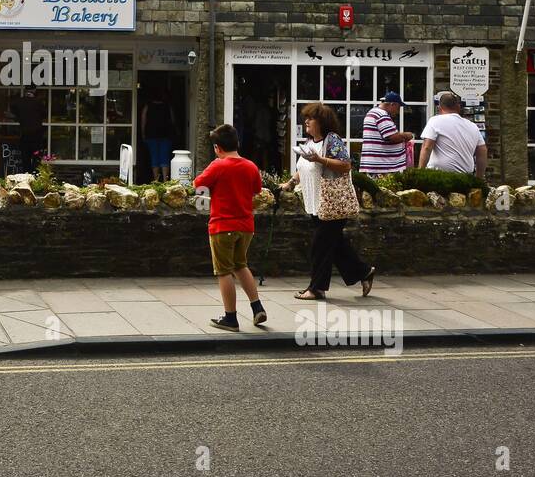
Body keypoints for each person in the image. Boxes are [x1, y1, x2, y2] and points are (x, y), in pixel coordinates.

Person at [281, 102, 375, 301]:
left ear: (322, 121)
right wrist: (290, 183)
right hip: (316, 204)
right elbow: (303, 168)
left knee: (320, 246)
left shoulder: (332, 140)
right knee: (336, 244)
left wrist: (321, 160)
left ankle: (317, 289)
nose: (306, 121)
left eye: (311, 118)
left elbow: (346, 165)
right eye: (305, 117)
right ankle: (363, 272)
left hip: (332, 203)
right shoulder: (309, 143)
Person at [193, 123, 267, 331]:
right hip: (246, 226)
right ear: (237, 143)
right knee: (240, 265)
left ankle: (230, 318)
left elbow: (198, 184)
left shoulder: (218, 165)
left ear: (218, 148)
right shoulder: (251, 166)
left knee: (223, 271)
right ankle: (257, 307)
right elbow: (256, 190)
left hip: (222, 225)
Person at [419, 90, 487, 177]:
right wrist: (479, 177)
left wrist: (420, 174)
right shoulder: (473, 126)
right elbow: (482, 151)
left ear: (439, 108)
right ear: (458, 107)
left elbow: (427, 147)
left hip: (439, 176)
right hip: (465, 177)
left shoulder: (435, 121)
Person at [360, 91, 415, 176]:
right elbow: (393, 137)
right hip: (381, 167)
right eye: (398, 107)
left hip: (375, 165)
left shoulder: (372, 112)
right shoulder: (382, 115)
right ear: (393, 104)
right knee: (383, 189)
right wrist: (407, 135)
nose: (398, 112)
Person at [141, 89, 176, 181]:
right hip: (166, 134)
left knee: (154, 157)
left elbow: (143, 121)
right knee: (165, 157)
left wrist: (143, 133)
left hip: (151, 135)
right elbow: (173, 121)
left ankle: (156, 180)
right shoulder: (168, 106)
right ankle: (165, 180)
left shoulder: (148, 106)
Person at [11, 90, 46, 174]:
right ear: (34, 93)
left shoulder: (18, 102)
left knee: (25, 157)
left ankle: (26, 174)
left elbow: (13, 110)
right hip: (36, 133)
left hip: (24, 133)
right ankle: (35, 174)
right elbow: (44, 114)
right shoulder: (38, 102)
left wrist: (19, 118)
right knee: (36, 157)